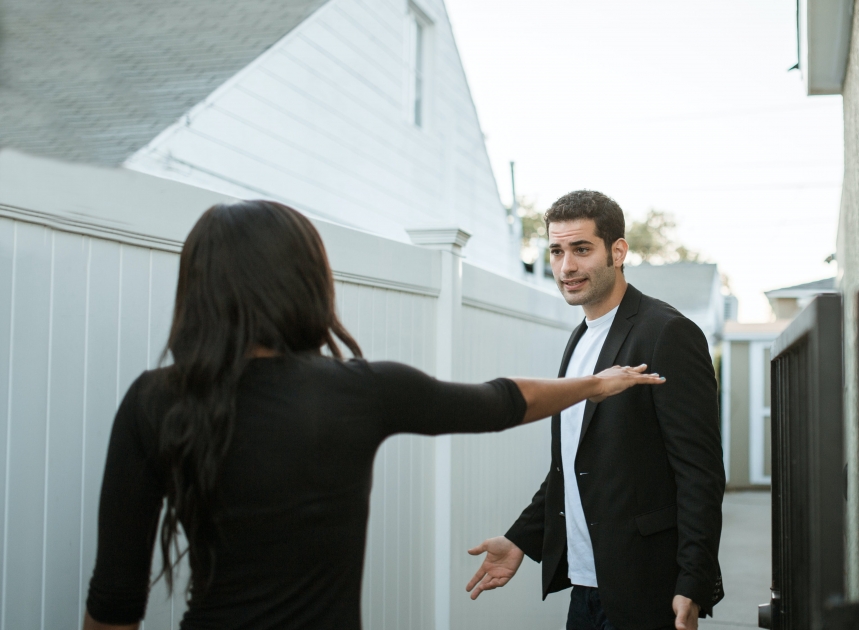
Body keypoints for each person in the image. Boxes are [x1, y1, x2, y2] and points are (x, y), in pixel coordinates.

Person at [82, 200, 664, 630]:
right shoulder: (358, 390)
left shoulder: (154, 400)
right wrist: (592, 384)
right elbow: (500, 401)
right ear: (305, 282)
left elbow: (113, 601)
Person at [466, 191, 725, 630]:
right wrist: (520, 541)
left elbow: (700, 471)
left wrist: (693, 579)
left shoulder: (668, 333)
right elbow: (571, 464)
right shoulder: (580, 338)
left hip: (646, 586)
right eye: (556, 251)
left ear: (617, 251)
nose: (567, 267)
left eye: (581, 249)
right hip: (586, 583)